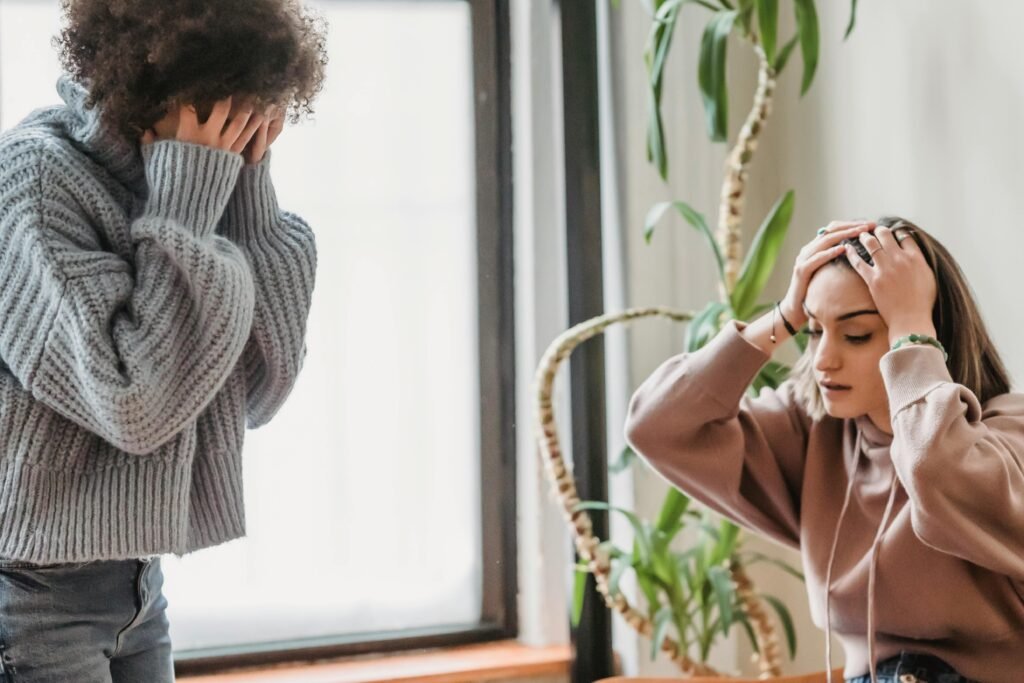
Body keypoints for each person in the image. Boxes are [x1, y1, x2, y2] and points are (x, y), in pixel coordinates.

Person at [0, 0, 326, 680]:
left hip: (137, 584)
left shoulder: (188, 183)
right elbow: (135, 403)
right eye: (230, 107)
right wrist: (189, 196)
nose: (248, 125)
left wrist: (246, 192)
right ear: (159, 90)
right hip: (29, 594)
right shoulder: (34, 181)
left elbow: (253, 393)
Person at [625, 217, 1024, 683]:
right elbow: (655, 427)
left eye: (855, 335)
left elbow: (934, 473)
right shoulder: (814, 434)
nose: (822, 359)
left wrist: (912, 329)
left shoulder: (1006, 436)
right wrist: (783, 316)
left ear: (930, 336)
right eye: (814, 331)